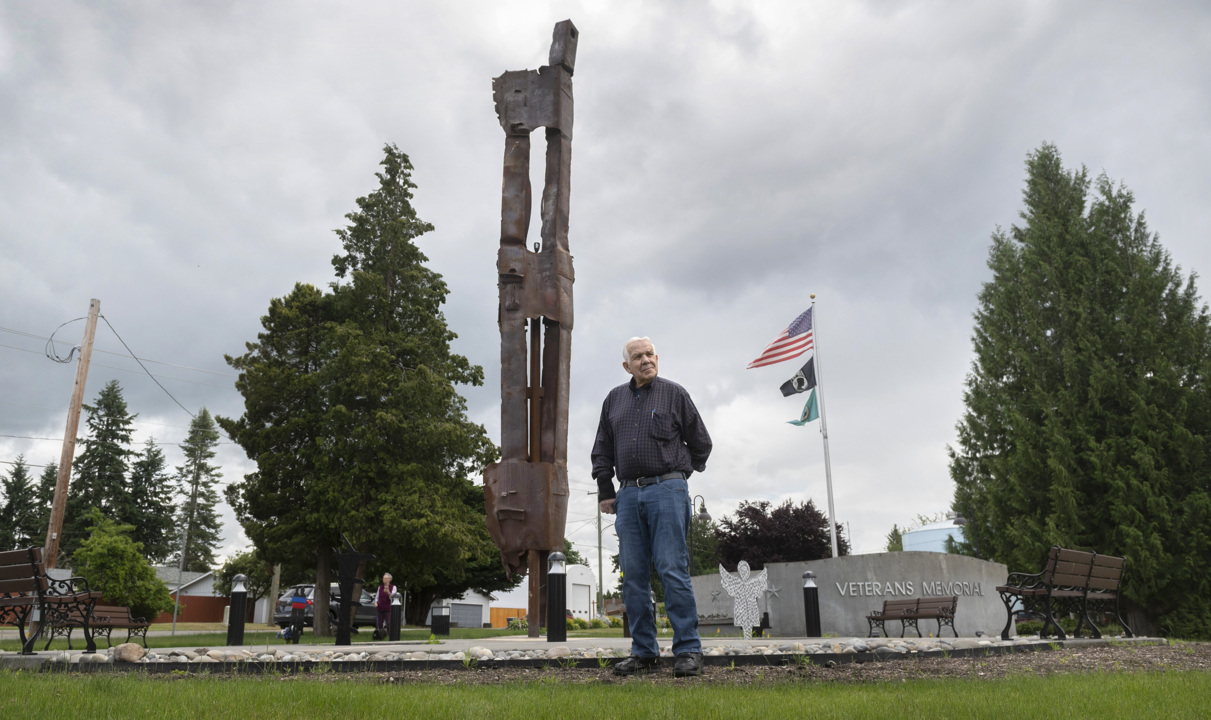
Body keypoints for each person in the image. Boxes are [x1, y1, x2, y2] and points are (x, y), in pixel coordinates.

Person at [592, 336, 712, 677]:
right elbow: (602, 449)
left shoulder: (674, 394)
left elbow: (701, 442)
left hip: (668, 491)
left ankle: (688, 650)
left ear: (656, 357)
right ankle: (644, 653)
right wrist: (606, 489)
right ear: (626, 366)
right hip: (628, 496)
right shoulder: (613, 400)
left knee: (672, 570)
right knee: (633, 576)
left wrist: (679, 474)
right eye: (637, 356)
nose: (645, 360)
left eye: (649, 354)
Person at [375, 573, 396, 639]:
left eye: (385, 578)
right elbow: (377, 597)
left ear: (389, 579)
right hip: (380, 607)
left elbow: (392, 598)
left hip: (388, 608)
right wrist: (375, 602)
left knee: (388, 623)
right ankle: (381, 636)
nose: (384, 579)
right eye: (383, 578)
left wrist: (388, 592)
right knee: (380, 623)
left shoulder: (393, 587)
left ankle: (391, 636)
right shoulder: (380, 587)